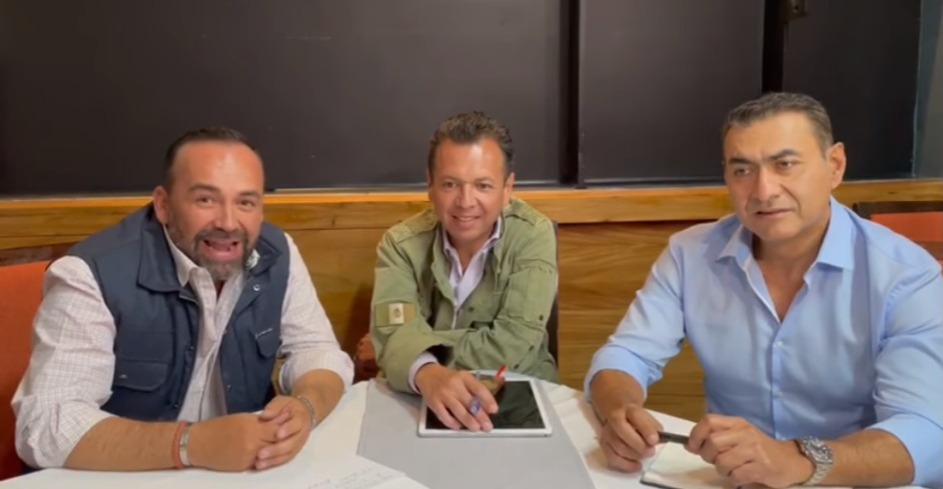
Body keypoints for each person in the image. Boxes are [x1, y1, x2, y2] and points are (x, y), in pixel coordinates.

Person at [585, 92, 943, 488]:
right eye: (742, 170)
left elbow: (926, 435)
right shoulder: (691, 254)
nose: (763, 190)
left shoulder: (906, 276)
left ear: (835, 166)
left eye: (785, 164)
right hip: (733, 480)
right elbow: (626, 354)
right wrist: (619, 411)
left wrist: (798, 461)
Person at [12, 127, 354, 472]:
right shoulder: (88, 274)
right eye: (206, 200)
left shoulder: (277, 254)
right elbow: (45, 425)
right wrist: (192, 444)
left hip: (239, 474)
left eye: (245, 202)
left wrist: (306, 407)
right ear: (164, 205)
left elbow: (316, 349)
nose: (228, 222)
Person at [370, 111, 558, 432]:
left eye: (483, 185)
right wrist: (426, 373)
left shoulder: (533, 235)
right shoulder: (399, 244)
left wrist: (415, 351)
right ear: (430, 185)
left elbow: (514, 342)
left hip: (516, 390)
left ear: (507, 188)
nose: (465, 202)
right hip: (419, 394)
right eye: (450, 184)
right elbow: (392, 337)